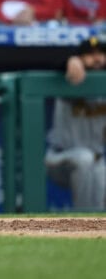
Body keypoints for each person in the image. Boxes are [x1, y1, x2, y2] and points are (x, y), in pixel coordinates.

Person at [46, 35, 106, 211]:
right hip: (61, 158)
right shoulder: (67, 78)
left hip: (97, 159)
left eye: (102, 53)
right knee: (85, 159)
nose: (97, 58)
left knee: (99, 168)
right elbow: (51, 65)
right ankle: (85, 222)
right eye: (90, 54)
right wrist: (69, 62)